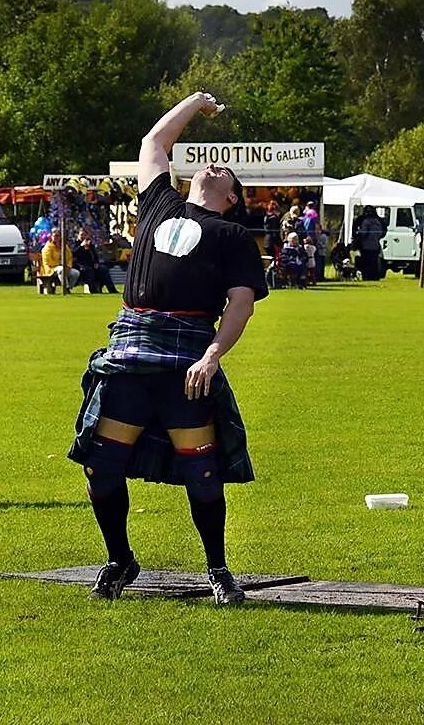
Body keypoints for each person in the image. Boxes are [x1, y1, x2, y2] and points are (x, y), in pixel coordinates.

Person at [67, 92, 269, 606]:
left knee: (202, 470)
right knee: (100, 464)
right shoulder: (160, 203)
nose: (214, 165)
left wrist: (213, 355)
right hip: (129, 354)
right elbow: (154, 141)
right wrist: (196, 102)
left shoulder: (233, 237)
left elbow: (241, 306)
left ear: (232, 199)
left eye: (226, 171)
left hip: (186, 364)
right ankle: (120, 560)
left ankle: (218, 569)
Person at [354, 206, 386, 281]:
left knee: (366, 263)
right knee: (374, 263)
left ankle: (367, 276)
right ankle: (374, 276)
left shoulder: (365, 221)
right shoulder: (378, 221)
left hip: (366, 246)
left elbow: (363, 233)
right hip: (375, 246)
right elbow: (383, 232)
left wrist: (358, 237)